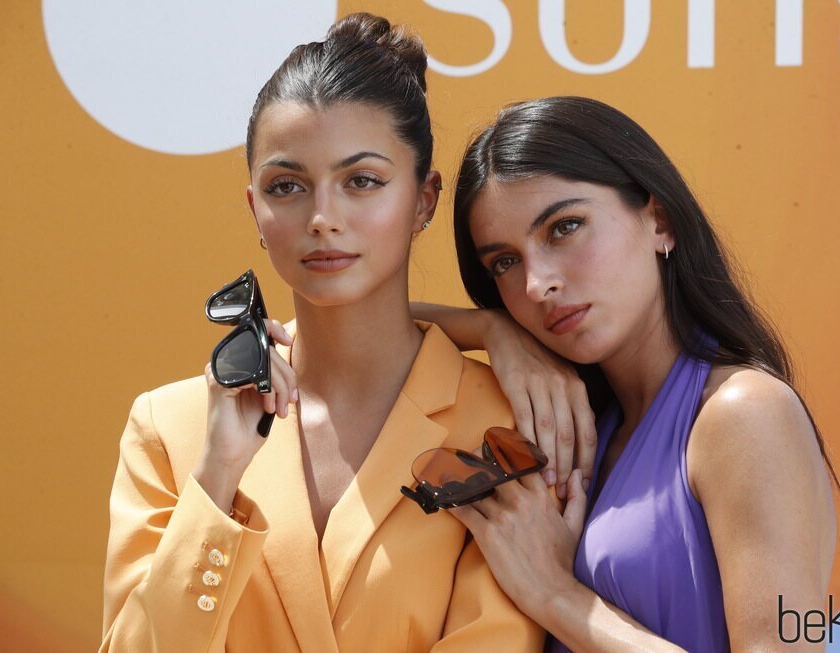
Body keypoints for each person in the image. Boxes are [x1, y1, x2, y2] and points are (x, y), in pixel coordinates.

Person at [100, 14, 546, 652]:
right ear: (255, 208)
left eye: (362, 181)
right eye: (287, 186)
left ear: (424, 200)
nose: (322, 218)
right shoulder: (170, 429)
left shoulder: (506, 423)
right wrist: (218, 476)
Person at [423, 96, 840, 652]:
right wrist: (490, 331)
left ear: (659, 219)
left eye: (564, 227)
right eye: (504, 262)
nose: (536, 284)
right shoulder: (581, 427)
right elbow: (354, 327)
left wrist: (557, 595)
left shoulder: (742, 414)